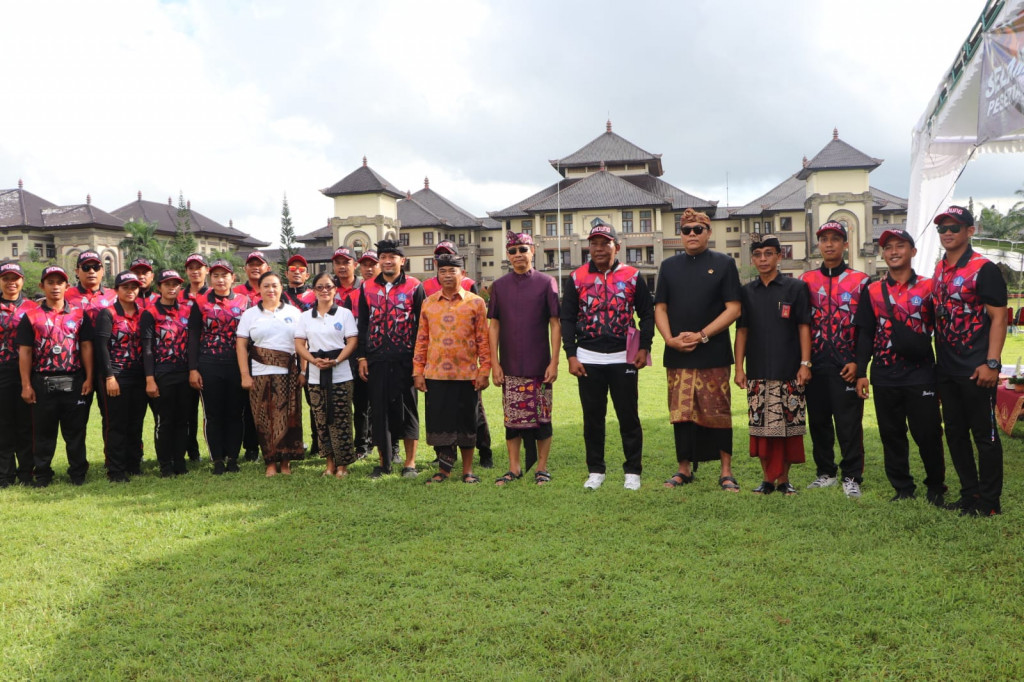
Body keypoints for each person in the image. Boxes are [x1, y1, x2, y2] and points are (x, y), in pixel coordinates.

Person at [853, 229, 946, 504]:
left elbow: (941, 332)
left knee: (928, 433)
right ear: (883, 254)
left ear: (913, 252)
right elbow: (866, 334)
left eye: (900, 246)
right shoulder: (872, 290)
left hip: (921, 373)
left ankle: (936, 486)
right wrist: (861, 372)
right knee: (892, 434)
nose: (894, 251)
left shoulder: (929, 287)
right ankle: (903, 488)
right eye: (888, 247)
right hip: (884, 374)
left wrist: (942, 373)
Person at [561, 218, 654, 490]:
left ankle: (632, 472)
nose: (599, 249)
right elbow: (567, 318)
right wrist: (571, 354)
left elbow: (647, 314)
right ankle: (596, 470)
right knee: (593, 417)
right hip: (588, 357)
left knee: (628, 416)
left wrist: (644, 347)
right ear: (588, 247)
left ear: (617, 246)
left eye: (605, 243)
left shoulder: (633, 276)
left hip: (623, 356)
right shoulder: (577, 277)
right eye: (594, 244)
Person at [654, 208, 742, 492]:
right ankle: (684, 469)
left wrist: (703, 335)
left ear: (708, 232)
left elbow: (734, 308)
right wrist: (669, 339)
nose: (691, 234)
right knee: (681, 411)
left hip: (713, 350)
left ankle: (726, 470)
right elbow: (660, 307)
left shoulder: (724, 263)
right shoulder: (669, 267)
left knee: (718, 410)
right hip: (678, 352)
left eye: (697, 229)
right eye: (686, 230)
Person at [931, 205, 1008, 516]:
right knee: (955, 434)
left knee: (985, 437)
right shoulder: (940, 268)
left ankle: (989, 503)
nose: (947, 233)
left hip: (977, 369)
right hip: (947, 368)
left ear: (970, 231)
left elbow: (999, 318)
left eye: (954, 227)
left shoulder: (983, 268)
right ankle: (969, 495)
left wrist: (992, 363)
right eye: (942, 228)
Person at [734, 237, 812, 496]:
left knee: (788, 430)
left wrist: (804, 363)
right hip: (758, 372)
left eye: (769, 254)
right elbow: (742, 332)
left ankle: (784, 481)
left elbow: (803, 327)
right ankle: (767, 479)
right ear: (753, 259)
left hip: (790, 371)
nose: (763, 259)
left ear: (780, 256)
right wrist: (739, 368)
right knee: (761, 430)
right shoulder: (746, 292)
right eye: (758, 255)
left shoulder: (796, 288)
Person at [800, 221, 870, 498]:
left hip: (846, 365)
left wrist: (859, 364)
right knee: (818, 421)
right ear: (818, 245)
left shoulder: (861, 281)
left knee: (848, 424)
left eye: (835, 239)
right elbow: (800, 325)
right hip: (816, 364)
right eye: (824, 239)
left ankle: (852, 476)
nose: (829, 244)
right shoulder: (806, 281)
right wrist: (803, 362)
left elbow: (866, 329)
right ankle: (825, 472)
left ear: (845, 244)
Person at [488, 231, 560, 486]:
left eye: (523, 249)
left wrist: (554, 361)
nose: (518, 254)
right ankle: (514, 468)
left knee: (543, 419)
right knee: (512, 420)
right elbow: (494, 325)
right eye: (513, 251)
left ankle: (541, 467)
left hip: (540, 363)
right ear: (508, 255)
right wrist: (495, 363)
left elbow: (555, 323)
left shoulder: (546, 282)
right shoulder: (498, 286)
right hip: (509, 364)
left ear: (533, 250)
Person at [413, 252, 491, 484]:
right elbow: (422, 340)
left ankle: (467, 470)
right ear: (437, 275)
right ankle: (444, 470)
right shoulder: (428, 303)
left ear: (462, 274)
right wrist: (417, 371)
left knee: (467, 423)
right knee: (440, 424)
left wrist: (484, 370)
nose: (447, 275)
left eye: (452, 271)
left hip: (466, 374)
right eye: (443, 271)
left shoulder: (476, 302)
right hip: (435, 374)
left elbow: (483, 340)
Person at [17, 266, 95, 487]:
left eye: (59, 282)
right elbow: (25, 352)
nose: (55, 286)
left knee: (76, 433)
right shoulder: (31, 317)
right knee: (43, 434)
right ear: (42, 286)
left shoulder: (79, 314)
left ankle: (78, 473)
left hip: (75, 380)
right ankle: (42, 475)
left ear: (66, 286)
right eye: (50, 282)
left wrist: (89, 377)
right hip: (42, 382)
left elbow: (87, 346)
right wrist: (26, 385)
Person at [357, 239, 423, 478]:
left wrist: (419, 362)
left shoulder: (415, 286)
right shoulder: (366, 287)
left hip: (405, 358)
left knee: (408, 410)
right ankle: (384, 462)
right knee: (380, 411)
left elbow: (421, 327)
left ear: (402, 261)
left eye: (392, 257)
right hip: (376, 358)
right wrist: (362, 357)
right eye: (383, 256)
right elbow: (362, 323)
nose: (386, 261)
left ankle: (410, 463)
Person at [236, 271, 304, 477]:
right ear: (259, 289)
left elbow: (302, 343)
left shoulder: (294, 313)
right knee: (263, 418)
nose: (271, 290)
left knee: (288, 417)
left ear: (281, 288)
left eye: (274, 285)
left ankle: (285, 462)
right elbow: (241, 345)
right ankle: (270, 462)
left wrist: (304, 370)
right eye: (266, 286)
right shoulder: (250, 315)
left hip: (289, 373)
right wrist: (245, 374)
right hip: (259, 373)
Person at [188, 259, 253, 475]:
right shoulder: (201, 302)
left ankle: (233, 458)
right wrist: (193, 368)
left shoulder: (245, 302)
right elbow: (193, 336)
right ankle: (217, 459)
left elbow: (251, 336)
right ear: (210, 278)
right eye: (215, 275)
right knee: (213, 415)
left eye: (224, 275)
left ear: (233, 278)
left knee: (236, 413)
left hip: (237, 365)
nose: (220, 279)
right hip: (209, 364)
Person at [294, 271, 359, 477]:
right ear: (313, 291)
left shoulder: (344, 314)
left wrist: (337, 360)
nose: (324, 291)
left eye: (328, 286)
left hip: (340, 373)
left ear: (335, 290)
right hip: (315, 374)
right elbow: (299, 343)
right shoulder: (306, 316)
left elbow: (352, 341)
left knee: (341, 418)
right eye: (320, 287)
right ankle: (329, 464)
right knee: (321, 419)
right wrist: (313, 361)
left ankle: (343, 465)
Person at [141, 270, 195, 478]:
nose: (172, 287)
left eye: (175, 284)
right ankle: (165, 464)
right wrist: (150, 379)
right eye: (167, 284)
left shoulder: (187, 311)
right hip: (162, 374)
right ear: (159, 288)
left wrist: (192, 370)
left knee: (183, 420)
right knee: (164, 421)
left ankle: (179, 461)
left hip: (183, 372)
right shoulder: (150, 313)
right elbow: (146, 348)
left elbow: (191, 343)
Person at [95, 272, 147, 481]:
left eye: (134, 287)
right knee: (116, 424)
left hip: (138, 375)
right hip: (116, 375)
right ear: (116, 290)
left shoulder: (143, 313)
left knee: (135, 422)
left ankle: (133, 464)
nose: (130, 291)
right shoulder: (107, 314)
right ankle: (116, 469)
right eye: (125, 287)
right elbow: (101, 346)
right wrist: (109, 377)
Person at [0, 262, 36, 487]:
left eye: (15, 278)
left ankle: (26, 472)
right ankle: (5, 475)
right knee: (3, 425)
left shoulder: (33, 307)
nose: (11, 282)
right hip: (1, 372)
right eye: (6, 278)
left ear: (22, 280)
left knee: (27, 424)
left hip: (28, 373)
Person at [234, 250, 270, 461]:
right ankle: (250, 447)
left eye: (260, 263)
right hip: (242, 354)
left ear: (267, 267)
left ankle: (270, 443)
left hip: (268, 356)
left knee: (268, 403)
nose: (255, 267)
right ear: (245, 269)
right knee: (247, 403)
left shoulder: (273, 290)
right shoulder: (237, 293)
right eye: (251, 264)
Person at [347, 250, 377, 460]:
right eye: (365, 265)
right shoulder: (353, 295)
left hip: (383, 354)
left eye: (372, 264)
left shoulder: (388, 292)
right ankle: (362, 444)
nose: (368, 269)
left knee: (382, 403)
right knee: (361, 403)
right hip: (360, 355)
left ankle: (382, 442)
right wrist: (359, 356)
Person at [181, 252, 210, 462]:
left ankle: (215, 450)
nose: (195, 271)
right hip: (183, 362)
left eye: (199, 267)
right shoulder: (178, 297)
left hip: (210, 360)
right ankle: (192, 451)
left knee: (211, 410)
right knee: (187, 411)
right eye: (191, 267)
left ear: (206, 270)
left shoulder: (214, 295)